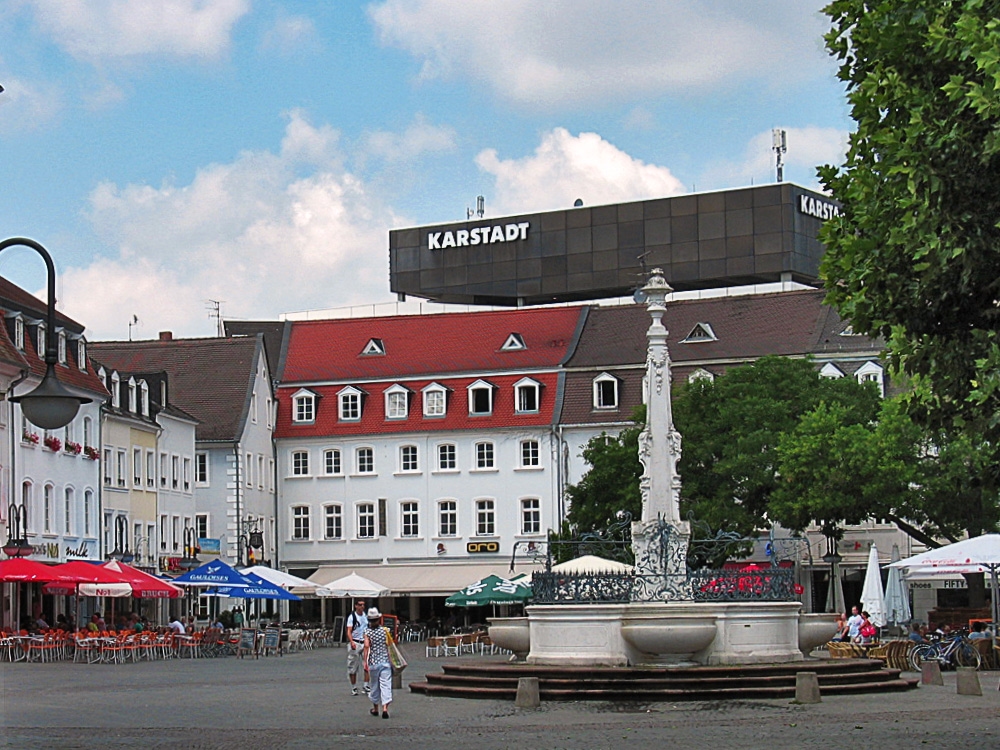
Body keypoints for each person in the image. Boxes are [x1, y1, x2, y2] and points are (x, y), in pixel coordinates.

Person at [363, 607, 393, 719]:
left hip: (373, 662)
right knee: (386, 685)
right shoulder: (385, 630)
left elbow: (366, 646)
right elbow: (390, 645)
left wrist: (365, 662)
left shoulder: (367, 632)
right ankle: (385, 708)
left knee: (374, 685)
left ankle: (375, 708)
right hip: (385, 661)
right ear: (379, 619)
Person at [345, 599, 370, 696]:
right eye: (360, 605)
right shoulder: (352, 617)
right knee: (352, 666)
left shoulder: (366, 616)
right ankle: (354, 687)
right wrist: (351, 641)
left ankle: (366, 685)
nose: (362, 607)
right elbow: (349, 630)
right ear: (355, 606)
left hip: (365, 643)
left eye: (363, 605)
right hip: (355, 642)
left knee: (367, 665)